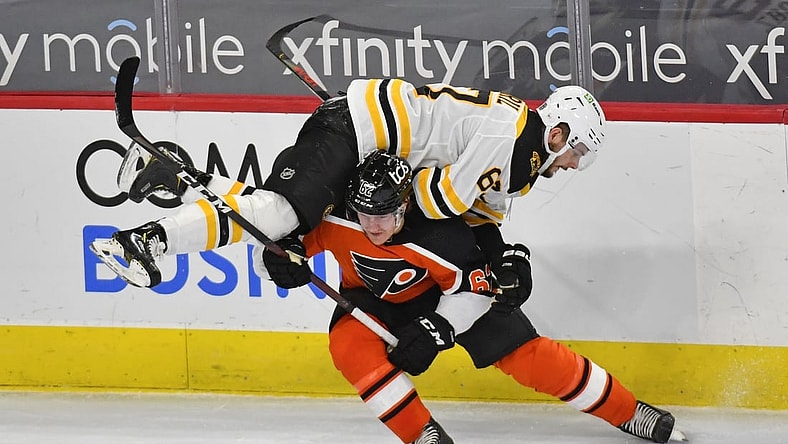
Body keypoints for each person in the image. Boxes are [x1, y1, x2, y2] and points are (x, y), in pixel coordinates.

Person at [260, 151, 684, 444]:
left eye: (385, 216)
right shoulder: (338, 219)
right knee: (349, 345)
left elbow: (472, 291)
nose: (373, 226)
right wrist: (278, 262)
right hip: (372, 299)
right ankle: (422, 435)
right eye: (365, 214)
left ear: (405, 205)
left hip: (448, 296)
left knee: (531, 358)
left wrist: (436, 329)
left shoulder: (439, 232)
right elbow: (282, 243)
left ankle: (627, 411)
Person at [90, 80, 605, 290]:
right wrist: (386, 192)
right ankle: (142, 240)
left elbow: (480, 215)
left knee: (277, 217)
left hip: (364, 131)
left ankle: (172, 176)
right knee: (282, 217)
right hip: (355, 130)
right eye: (576, 152)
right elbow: (441, 201)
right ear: (558, 132)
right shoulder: (516, 141)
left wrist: (498, 254)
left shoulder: (520, 150)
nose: (571, 166)